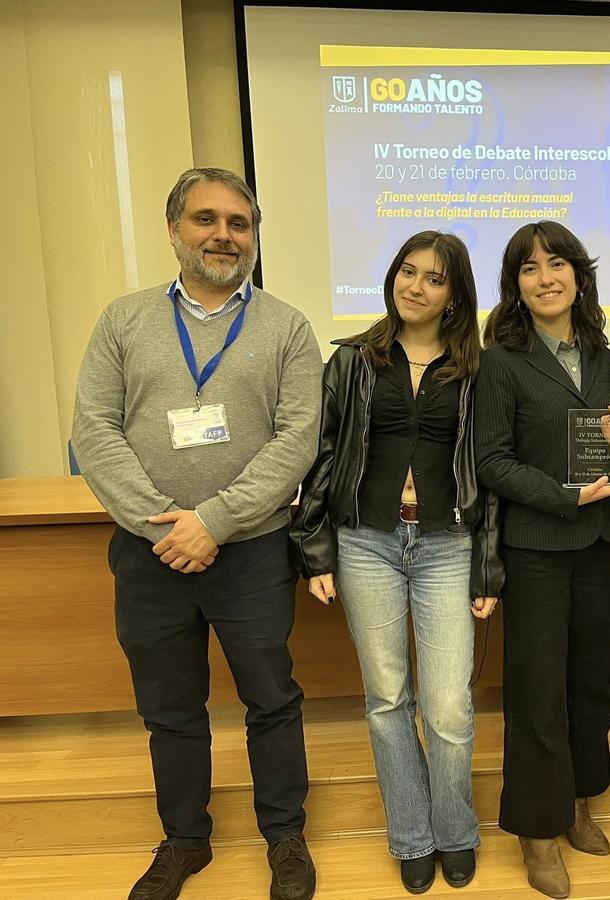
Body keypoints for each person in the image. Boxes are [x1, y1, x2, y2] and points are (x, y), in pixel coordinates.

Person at [72, 168, 322, 900]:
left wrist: (211, 521)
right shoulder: (123, 321)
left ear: (255, 234)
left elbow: (297, 439)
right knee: (170, 707)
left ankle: (285, 836)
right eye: (206, 219)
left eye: (239, 222)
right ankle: (185, 840)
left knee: (272, 698)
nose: (223, 234)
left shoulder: (286, 326)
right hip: (151, 555)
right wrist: (163, 526)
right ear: (174, 228)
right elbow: (94, 430)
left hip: (251, 552)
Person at [290, 231, 502, 894]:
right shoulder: (354, 360)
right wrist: (315, 547)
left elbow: (488, 475)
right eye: (407, 271)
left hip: (446, 544)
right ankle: (411, 835)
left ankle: (455, 830)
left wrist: (488, 567)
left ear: (454, 294)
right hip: (366, 543)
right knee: (387, 699)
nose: (415, 286)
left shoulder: (477, 370)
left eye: (433, 278)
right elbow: (323, 457)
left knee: (446, 704)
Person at [473, 221, 610, 899]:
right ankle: (537, 833)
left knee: (592, 685)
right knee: (538, 693)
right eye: (530, 268)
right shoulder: (501, 363)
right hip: (537, 550)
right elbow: (491, 462)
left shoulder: (601, 353)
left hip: (599, 543)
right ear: (515, 286)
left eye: (557, 263)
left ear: (578, 274)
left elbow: (606, 442)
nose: (546, 277)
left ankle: (580, 803)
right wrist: (567, 496)